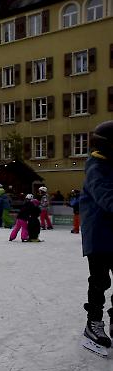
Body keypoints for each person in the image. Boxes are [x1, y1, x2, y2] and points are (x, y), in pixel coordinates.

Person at [79, 120, 113, 351]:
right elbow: (107, 198)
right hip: (99, 235)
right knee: (100, 280)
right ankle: (94, 322)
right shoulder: (96, 167)